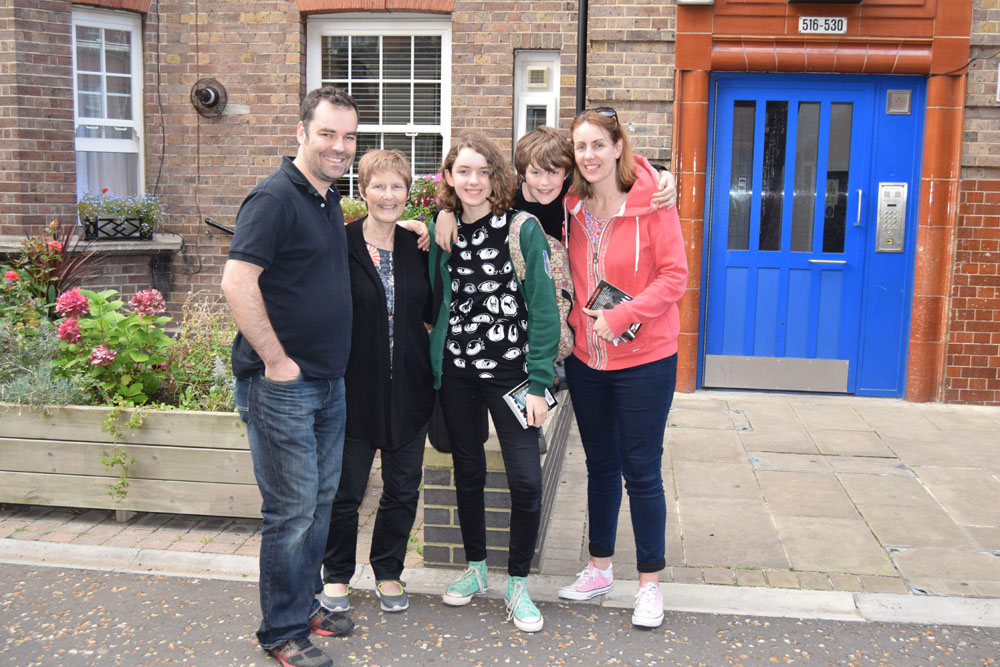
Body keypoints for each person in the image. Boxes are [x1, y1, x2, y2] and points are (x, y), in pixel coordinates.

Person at [222, 87, 359, 667]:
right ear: (301, 133)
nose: (339, 146)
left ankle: (303, 603)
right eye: (327, 133)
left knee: (319, 501)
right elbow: (236, 282)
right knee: (291, 509)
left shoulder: (325, 199)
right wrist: (277, 362)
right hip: (281, 386)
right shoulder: (275, 197)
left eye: (349, 137)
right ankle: (280, 630)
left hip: (328, 382)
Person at [555, 107, 688, 629]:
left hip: (645, 360)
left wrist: (623, 314)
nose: (589, 156)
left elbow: (675, 276)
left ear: (617, 148)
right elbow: (517, 189)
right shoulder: (569, 204)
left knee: (642, 470)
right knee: (600, 466)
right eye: (580, 147)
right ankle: (599, 567)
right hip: (589, 361)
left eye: (597, 145)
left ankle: (650, 584)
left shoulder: (653, 202)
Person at [427, 130, 560, 633]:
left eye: (484, 171)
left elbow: (545, 312)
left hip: (512, 376)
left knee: (526, 479)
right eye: (464, 171)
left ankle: (518, 583)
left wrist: (539, 384)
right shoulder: (445, 230)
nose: (474, 180)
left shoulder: (521, 229)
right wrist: (434, 219)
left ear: (497, 176)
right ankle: (476, 568)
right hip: (458, 373)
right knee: (468, 472)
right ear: (449, 177)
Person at [320, 149, 435, 615]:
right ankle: (336, 575)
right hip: (354, 390)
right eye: (379, 186)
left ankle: (388, 570)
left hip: (410, 388)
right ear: (362, 190)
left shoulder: (418, 247)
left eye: (397, 187)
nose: (389, 196)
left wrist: (432, 225)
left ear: (408, 192)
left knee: (403, 487)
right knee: (346, 491)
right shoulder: (340, 243)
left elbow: (431, 312)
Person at [433, 125, 676, 251]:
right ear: (522, 173)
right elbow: (471, 203)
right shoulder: (508, 201)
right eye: (535, 173)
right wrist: (445, 213)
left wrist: (663, 173)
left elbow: (620, 168)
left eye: (553, 173)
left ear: (567, 172)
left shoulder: (574, 187)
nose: (545, 183)